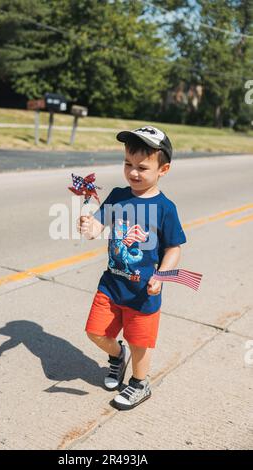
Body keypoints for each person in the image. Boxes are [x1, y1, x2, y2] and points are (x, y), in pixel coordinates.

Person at [77, 126, 187, 410]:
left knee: (140, 343)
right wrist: (89, 227)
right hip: (112, 285)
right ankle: (116, 357)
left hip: (143, 291)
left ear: (163, 169)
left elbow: (174, 248)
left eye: (142, 167)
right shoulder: (116, 196)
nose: (133, 172)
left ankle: (140, 384)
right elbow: (97, 228)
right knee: (95, 332)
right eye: (128, 164)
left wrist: (162, 276)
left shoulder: (166, 208)